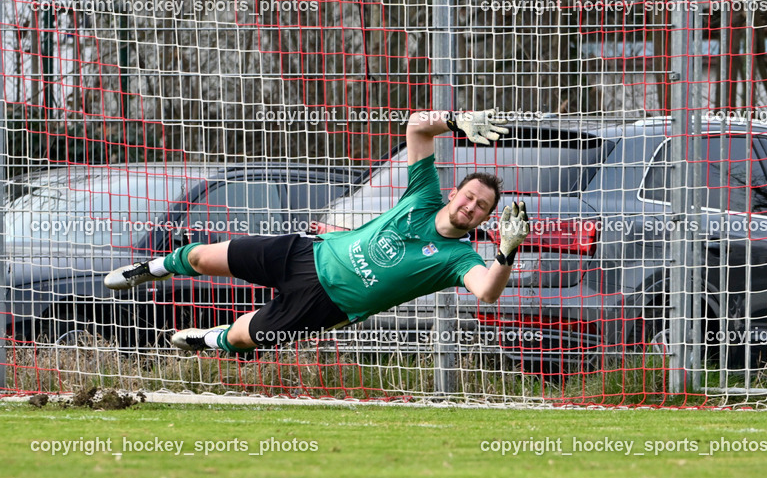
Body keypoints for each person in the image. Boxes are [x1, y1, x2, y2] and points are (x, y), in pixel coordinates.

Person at [103, 109, 530, 354]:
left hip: (329, 304)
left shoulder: (461, 258)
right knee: (199, 258)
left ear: (484, 219)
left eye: (482, 209)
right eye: (469, 197)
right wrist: (455, 122)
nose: (471, 207)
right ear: (455, 193)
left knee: (245, 338)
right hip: (307, 254)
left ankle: (208, 339)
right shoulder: (423, 193)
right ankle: (152, 268)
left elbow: (487, 292)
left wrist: (506, 252)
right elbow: (417, 127)